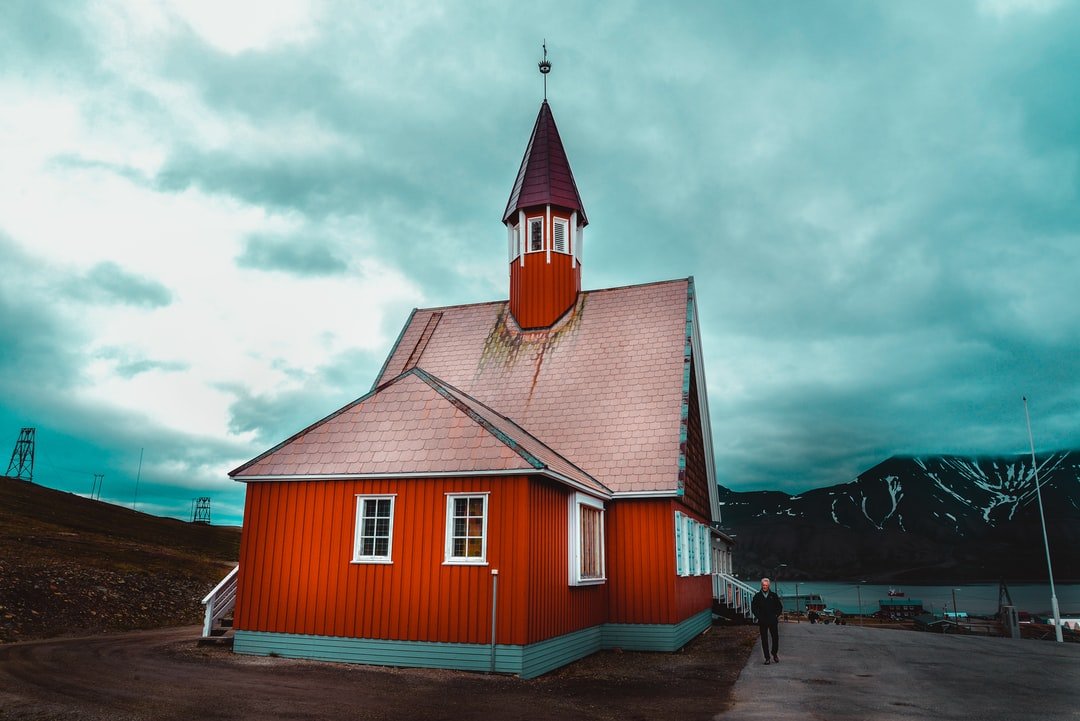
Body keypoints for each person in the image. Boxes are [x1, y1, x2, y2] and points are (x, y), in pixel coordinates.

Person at [751, 577, 783, 665]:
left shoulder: (773, 595)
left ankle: (774, 653)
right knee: (764, 640)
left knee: (775, 638)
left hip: (773, 620)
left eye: (766, 585)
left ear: (769, 586)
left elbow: (779, 607)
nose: (764, 587)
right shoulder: (757, 596)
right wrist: (759, 617)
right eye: (763, 585)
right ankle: (767, 658)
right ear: (761, 585)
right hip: (763, 621)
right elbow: (754, 608)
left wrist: (776, 615)